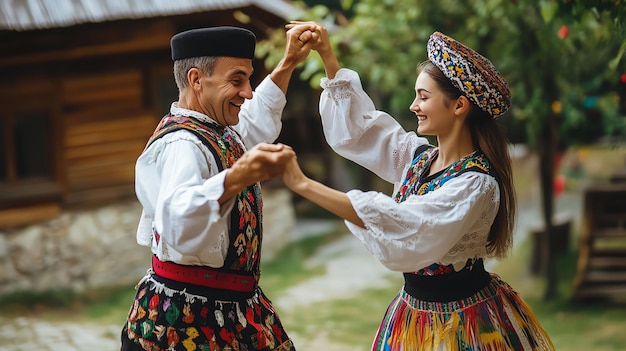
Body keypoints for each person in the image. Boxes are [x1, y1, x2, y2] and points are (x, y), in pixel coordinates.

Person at [282, 22, 555, 350]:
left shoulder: (476, 184)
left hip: (466, 324)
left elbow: (407, 225)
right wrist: (327, 55)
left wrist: (301, 183)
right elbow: (362, 132)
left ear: (459, 105)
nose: (413, 106)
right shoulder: (419, 158)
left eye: (423, 97)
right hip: (413, 313)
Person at [120, 24, 317, 351]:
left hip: (232, 310)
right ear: (197, 80)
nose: (248, 92)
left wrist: (288, 62)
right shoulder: (183, 143)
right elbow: (177, 220)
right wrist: (237, 178)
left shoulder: (218, 129)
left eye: (249, 79)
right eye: (236, 80)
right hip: (186, 323)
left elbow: (256, 116)